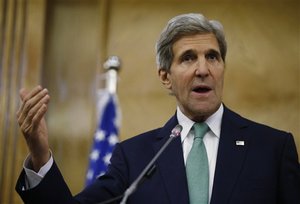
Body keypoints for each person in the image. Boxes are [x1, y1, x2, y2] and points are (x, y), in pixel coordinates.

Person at [15, 13, 300, 204]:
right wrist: (40, 156)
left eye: (212, 57)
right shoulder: (134, 158)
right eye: (188, 58)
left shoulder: (273, 148)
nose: (203, 69)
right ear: (165, 76)